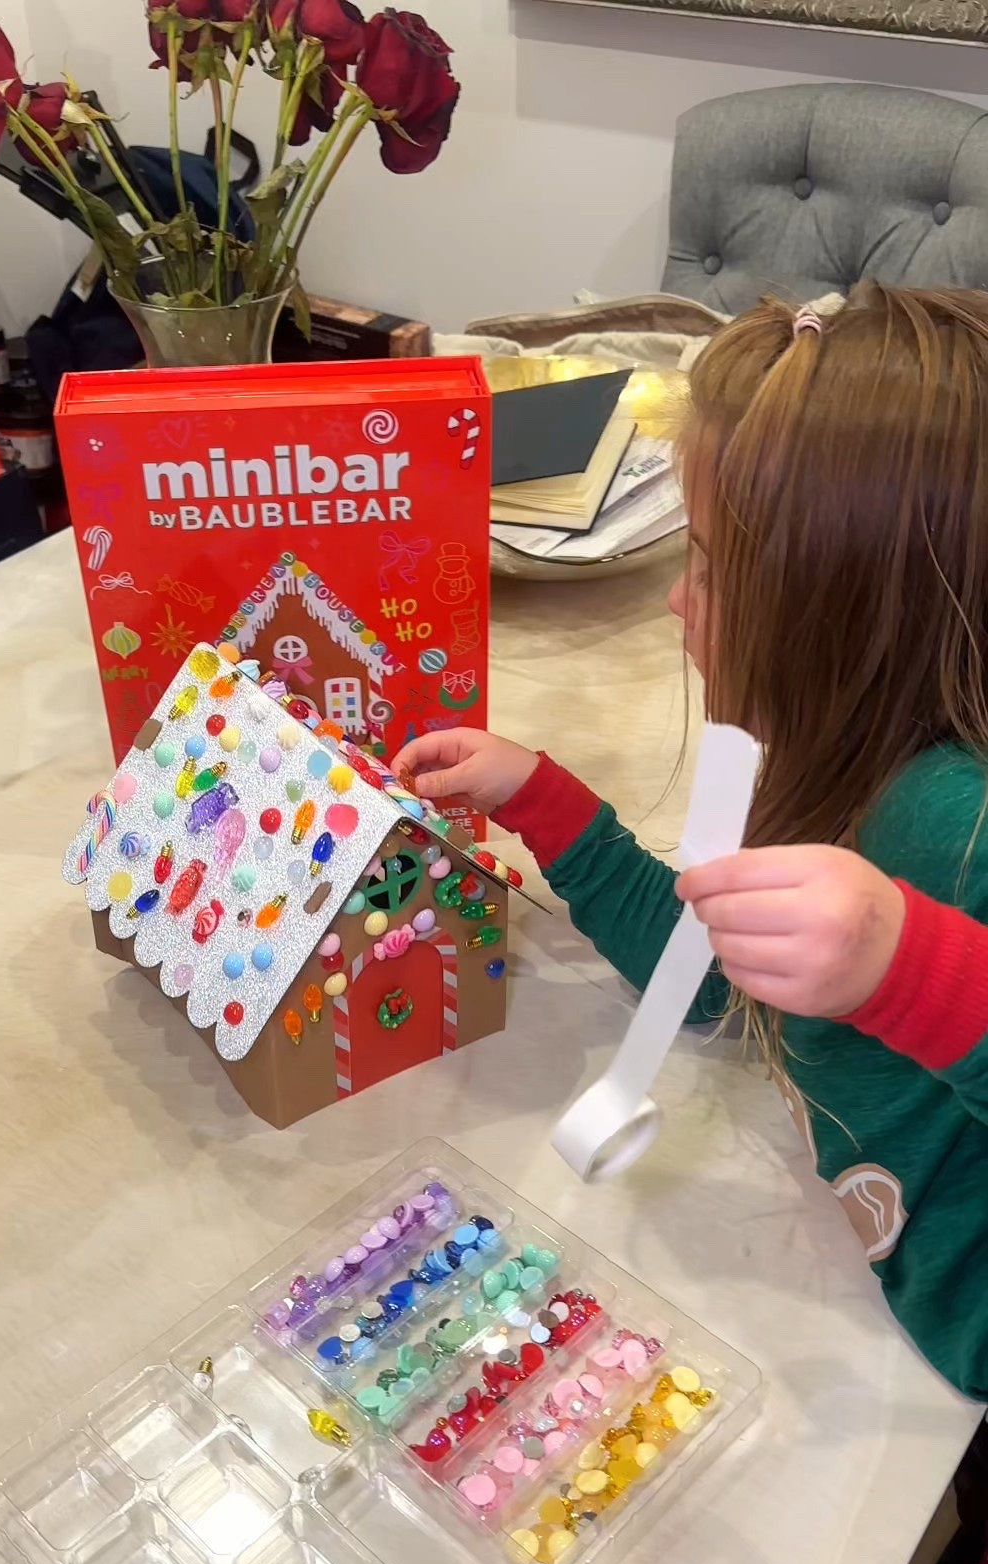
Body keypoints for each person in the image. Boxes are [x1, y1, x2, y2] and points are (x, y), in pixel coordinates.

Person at [395, 284, 988, 1399]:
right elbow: (715, 979)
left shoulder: (953, 822)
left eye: (711, 567)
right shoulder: (837, 756)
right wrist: (546, 803)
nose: (678, 602)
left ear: (837, 605)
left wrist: (916, 971)